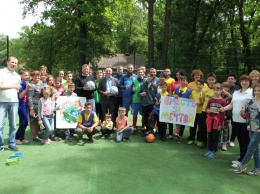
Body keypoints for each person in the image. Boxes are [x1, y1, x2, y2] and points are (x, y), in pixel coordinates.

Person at [221, 75, 253, 168]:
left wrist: (247, 112)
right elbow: (232, 104)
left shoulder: (251, 92)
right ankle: (241, 159)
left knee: (245, 141)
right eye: (242, 81)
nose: (244, 82)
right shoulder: (236, 92)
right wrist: (224, 108)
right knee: (240, 140)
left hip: (245, 121)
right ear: (240, 82)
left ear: (249, 82)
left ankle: (243, 162)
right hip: (235, 120)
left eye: (246, 81)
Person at [233, 83, 260, 175]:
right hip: (250, 127)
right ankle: (257, 168)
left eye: (259, 90)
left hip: (259, 128)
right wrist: (242, 113)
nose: (257, 92)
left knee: (251, 146)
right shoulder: (250, 101)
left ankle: (242, 164)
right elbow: (246, 116)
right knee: (256, 149)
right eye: (255, 90)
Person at [0, 56, 21, 152]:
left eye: (16, 63)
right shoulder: (1, 72)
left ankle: (11, 144)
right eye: (12, 62)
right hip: (2, 102)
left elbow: (17, 89)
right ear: (7, 62)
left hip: (14, 102)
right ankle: (1, 145)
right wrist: (13, 86)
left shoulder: (17, 76)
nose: (14, 64)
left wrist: (15, 88)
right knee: (0, 125)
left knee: (13, 125)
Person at [204, 83, 226, 158]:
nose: (216, 91)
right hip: (210, 121)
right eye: (215, 90)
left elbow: (223, 113)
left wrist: (220, 124)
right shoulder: (210, 100)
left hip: (217, 121)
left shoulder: (223, 101)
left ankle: (214, 151)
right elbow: (206, 108)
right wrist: (208, 111)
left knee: (216, 137)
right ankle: (210, 150)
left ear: (221, 91)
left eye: (218, 90)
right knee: (210, 136)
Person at [199, 73, 217, 149]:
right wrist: (201, 100)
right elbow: (203, 101)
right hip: (204, 111)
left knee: (213, 129)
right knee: (204, 127)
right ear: (207, 80)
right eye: (210, 80)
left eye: (213, 79)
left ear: (215, 80)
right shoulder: (204, 90)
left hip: (214, 112)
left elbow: (224, 98)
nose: (211, 81)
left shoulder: (217, 89)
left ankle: (213, 143)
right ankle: (204, 142)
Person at [173, 76, 192, 143]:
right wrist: (174, 96)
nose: (183, 82)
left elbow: (191, 100)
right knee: (177, 122)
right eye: (181, 80)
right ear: (179, 81)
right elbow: (172, 96)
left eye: (184, 80)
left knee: (183, 123)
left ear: (186, 81)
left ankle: (180, 136)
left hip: (185, 110)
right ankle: (177, 133)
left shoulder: (189, 90)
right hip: (177, 109)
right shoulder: (176, 89)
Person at [28, 70, 45, 143]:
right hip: (34, 106)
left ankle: (37, 134)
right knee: (34, 122)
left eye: (38, 75)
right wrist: (31, 109)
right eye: (35, 76)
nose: (37, 77)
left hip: (42, 105)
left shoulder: (43, 84)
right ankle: (35, 136)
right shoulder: (30, 85)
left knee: (39, 120)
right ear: (32, 76)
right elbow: (29, 98)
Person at [16, 69, 30, 145]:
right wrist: (27, 89)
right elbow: (20, 96)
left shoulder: (24, 82)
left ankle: (21, 137)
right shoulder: (21, 83)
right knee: (24, 121)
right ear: (21, 76)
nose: (28, 76)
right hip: (21, 105)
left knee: (23, 121)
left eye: (28, 75)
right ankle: (17, 137)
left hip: (24, 104)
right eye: (26, 75)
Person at [188, 79, 204, 146]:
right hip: (193, 112)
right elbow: (190, 101)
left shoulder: (203, 93)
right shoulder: (193, 92)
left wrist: (201, 102)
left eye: (200, 84)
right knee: (192, 126)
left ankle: (199, 140)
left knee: (200, 128)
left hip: (200, 112)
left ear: (203, 85)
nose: (199, 85)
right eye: (197, 84)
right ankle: (191, 139)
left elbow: (204, 103)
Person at [131, 68, 146, 134]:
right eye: (139, 72)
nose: (140, 73)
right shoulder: (134, 81)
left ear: (144, 73)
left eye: (141, 72)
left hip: (143, 101)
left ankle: (143, 128)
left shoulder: (145, 81)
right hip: (135, 100)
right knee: (134, 114)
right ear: (137, 73)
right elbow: (131, 91)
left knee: (143, 115)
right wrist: (132, 90)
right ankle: (134, 128)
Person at [227, 73, 239, 147]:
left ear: (235, 80)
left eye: (232, 79)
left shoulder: (238, 88)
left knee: (234, 125)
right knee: (225, 125)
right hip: (226, 109)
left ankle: (232, 140)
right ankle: (226, 139)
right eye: (229, 79)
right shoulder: (224, 87)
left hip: (234, 109)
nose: (230, 80)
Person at [220, 82, 232, 151]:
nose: (225, 88)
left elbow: (230, 97)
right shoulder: (220, 95)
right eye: (224, 87)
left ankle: (224, 143)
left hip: (227, 115)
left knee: (225, 129)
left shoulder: (230, 96)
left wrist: (226, 115)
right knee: (218, 129)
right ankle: (218, 142)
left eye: (227, 87)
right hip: (220, 115)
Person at [164, 68, 175, 139]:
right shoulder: (161, 79)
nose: (166, 72)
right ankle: (162, 132)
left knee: (170, 117)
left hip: (170, 100)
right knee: (163, 116)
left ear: (170, 73)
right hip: (162, 100)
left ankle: (171, 133)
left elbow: (173, 90)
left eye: (168, 71)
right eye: (165, 71)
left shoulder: (172, 80)